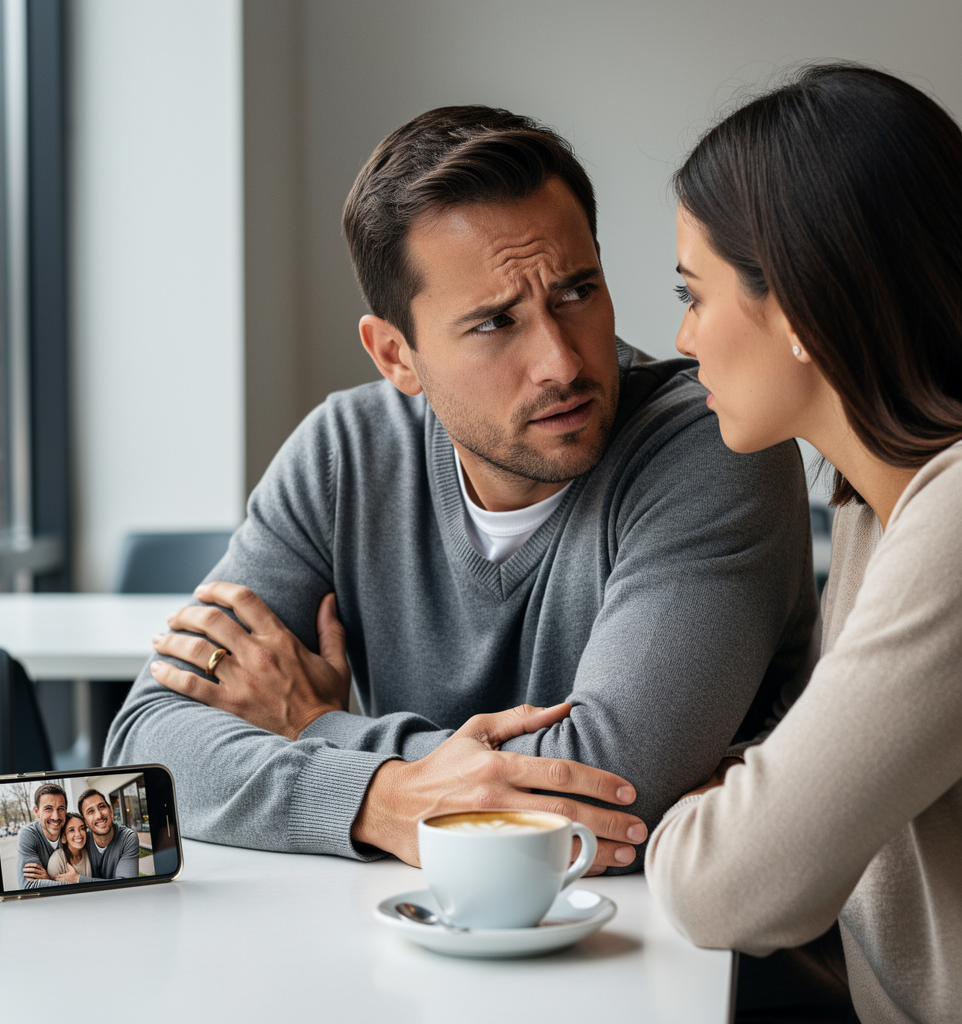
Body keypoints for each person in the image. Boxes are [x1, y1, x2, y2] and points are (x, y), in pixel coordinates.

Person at [106, 105, 818, 869]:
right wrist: (379, 799)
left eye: (577, 292)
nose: (562, 362)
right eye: (494, 324)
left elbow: (604, 790)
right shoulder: (344, 454)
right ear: (395, 356)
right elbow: (147, 743)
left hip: (688, 968)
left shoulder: (712, 442)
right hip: (413, 951)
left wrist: (315, 728)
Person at [645, 64, 962, 1024]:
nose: (684, 338)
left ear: (795, 308)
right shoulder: (876, 509)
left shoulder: (952, 524)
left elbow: (730, 885)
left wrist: (688, 818)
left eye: (694, 294)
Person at [78, 790, 140, 879]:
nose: (99, 816)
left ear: (111, 810)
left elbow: (126, 885)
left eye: (102, 807)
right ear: (85, 822)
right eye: (91, 811)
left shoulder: (127, 837)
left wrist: (78, 879)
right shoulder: (82, 842)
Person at [16, 783, 67, 889]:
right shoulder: (28, 834)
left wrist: (47, 881)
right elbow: (28, 886)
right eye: (48, 809)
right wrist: (77, 882)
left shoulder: (72, 830)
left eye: (60, 808)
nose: (55, 816)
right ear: (37, 812)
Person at [46, 811, 93, 884]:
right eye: (71, 830)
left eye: (82, 828)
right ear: (64, 838)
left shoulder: (87, 852)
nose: (78, 834)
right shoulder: (57, 860)